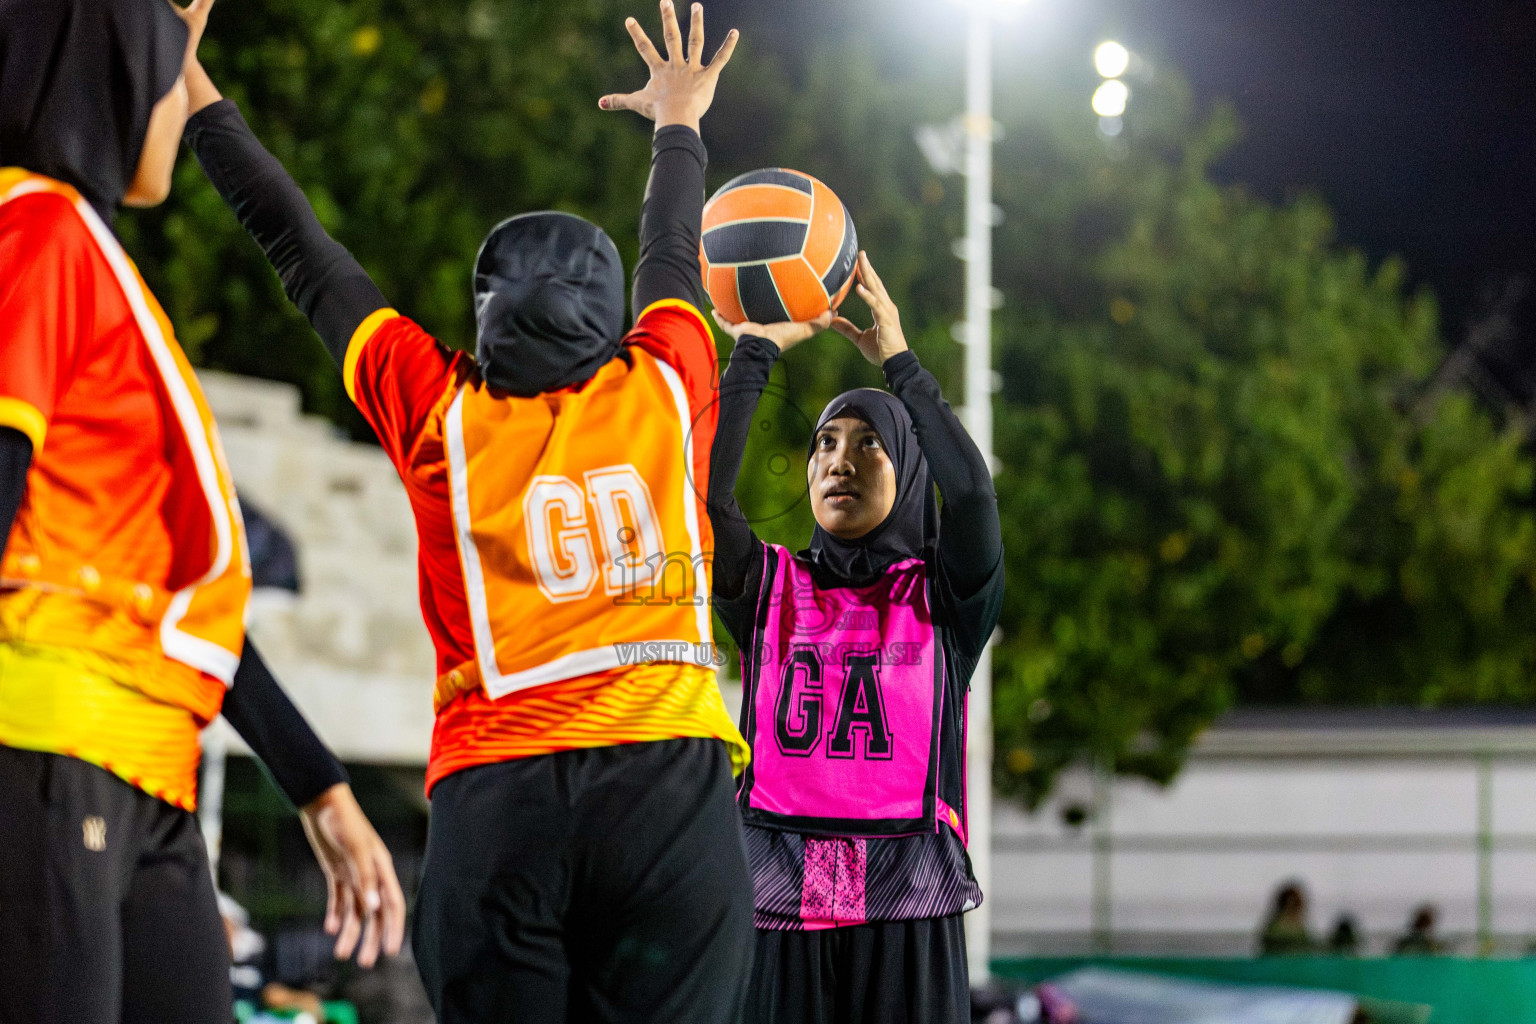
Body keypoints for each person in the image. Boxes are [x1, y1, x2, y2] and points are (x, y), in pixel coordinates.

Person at [180, 3, 754, 1020]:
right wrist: (679, 122)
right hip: (668, 787)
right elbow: (670, 242)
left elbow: (298, 245)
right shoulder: (667, 381)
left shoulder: (440, 408)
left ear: (482, 311)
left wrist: (196, 92)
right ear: (615, 315)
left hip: (500, 794)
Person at [0, 1, 405, 1021]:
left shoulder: (84, 252)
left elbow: (189, 598)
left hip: (148, 770)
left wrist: (319, 783)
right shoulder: (36, 229)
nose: (180, 98)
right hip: (50, 745)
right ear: (113, 69)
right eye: (172, 67)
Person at [708, 251, 1006, 1024]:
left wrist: (902, 364)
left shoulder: (944, 599)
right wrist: (752, 353)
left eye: (869, 442)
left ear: (908, 466)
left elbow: (972, 496)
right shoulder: (769, 586)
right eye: (825, 443)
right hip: (778, 890)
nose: (840, 461)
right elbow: (706, 496)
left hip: (910, 895)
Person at [1258, 880, 1318, 955]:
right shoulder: (1275, 928)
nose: (1291, 908)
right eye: (1289, 904)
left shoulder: (1302, 927)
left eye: (1294, 904)